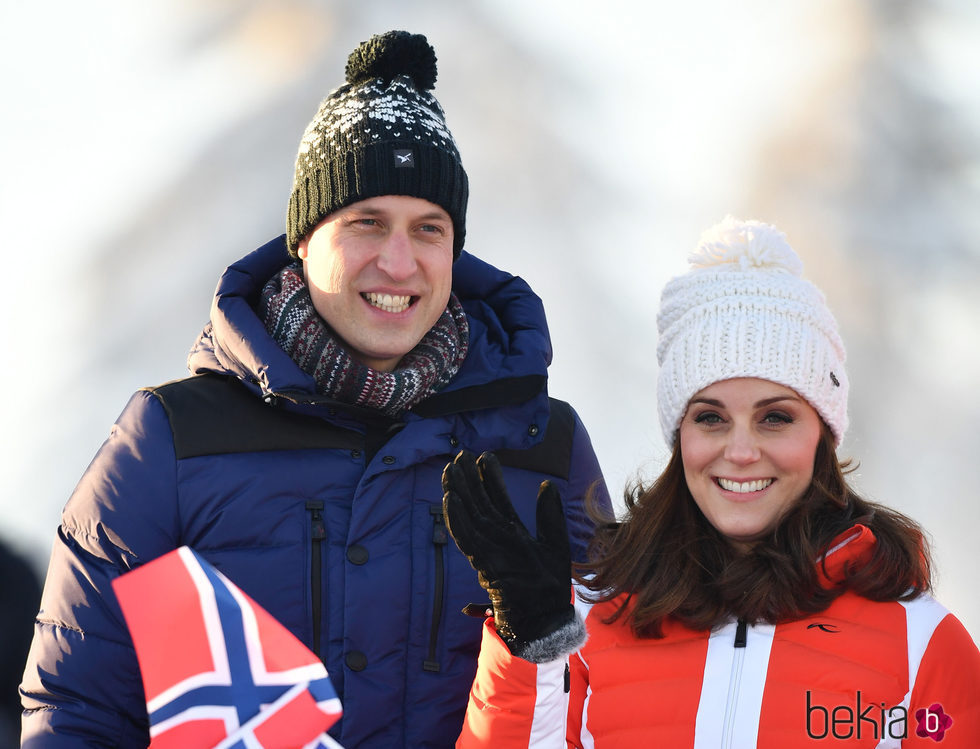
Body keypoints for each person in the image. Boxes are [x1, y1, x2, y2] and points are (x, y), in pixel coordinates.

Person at [20, 30, 609, 748]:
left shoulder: (542, 447)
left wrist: (551, 640)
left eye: (429, 229)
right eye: (366, 223)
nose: (399, 261)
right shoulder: (171, 443)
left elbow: (617, 701)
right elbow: (79, 711)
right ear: (305, 238)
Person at [442, 217, 980, 746]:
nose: (741, 452)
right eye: (711, 417)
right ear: (681, 437)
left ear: (824, 434)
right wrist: (533, 646)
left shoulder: (922, 645)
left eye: (776, 417)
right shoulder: (592, 620)